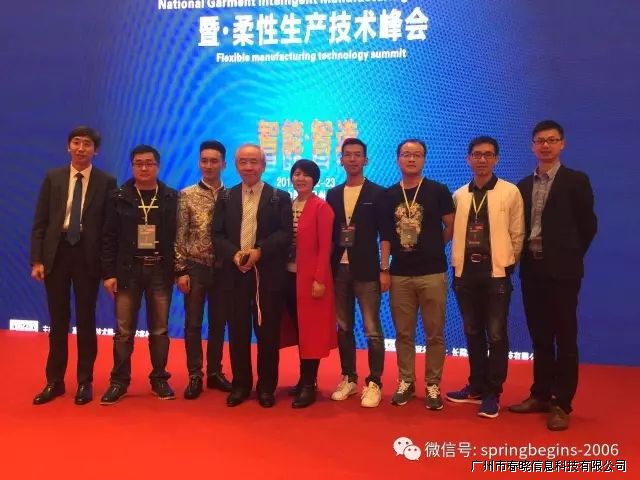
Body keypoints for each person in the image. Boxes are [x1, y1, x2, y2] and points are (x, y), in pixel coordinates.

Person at [509, 120, 597, 431]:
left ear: (562, 144)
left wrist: (569, 256)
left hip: (563, 272)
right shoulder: (522, 186)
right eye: (540, 141)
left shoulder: (576, 181)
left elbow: (588, 226)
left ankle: (562, 404)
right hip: (531, 270)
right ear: (532, 146)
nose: (546, 145)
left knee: (565, 337)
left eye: (552, 140)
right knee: (540, 336)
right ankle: (541, 395)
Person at [31, 126, 116, 405]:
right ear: (68, 147)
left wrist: (108, 269)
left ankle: (84, 382)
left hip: (87, 257)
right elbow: (41, 222)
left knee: (86, 320)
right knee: (58, 321)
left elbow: (109, 229)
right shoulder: (53, 177)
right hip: (56, 254)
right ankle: (54, 381)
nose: (81, 148)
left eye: (87, 144)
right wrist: (37, 259)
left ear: (96, 150)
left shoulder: (106, 182)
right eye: (76, 143)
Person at [445, 136, 525, 418]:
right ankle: (476, 386)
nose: (482, 159)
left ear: (496, 159)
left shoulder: (510, 192)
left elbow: (517, 233)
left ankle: (493, 392)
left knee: (496, 333)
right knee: (472, 331)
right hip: (465, 273)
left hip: (495, 274)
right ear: (468, 159)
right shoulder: (459, 195)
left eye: (488, 155)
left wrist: (505, 263)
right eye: (477, 154)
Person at [212, 143, 292, 408]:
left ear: (263, 165)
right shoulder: (226, 197)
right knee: (237, 333)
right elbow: (217, 235)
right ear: (236, 166)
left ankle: (266, 387)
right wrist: (234, 254)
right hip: (234, 275)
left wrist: (260, 251)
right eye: (243, 162)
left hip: (266, 277)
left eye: (254, 162)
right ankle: (241, 385)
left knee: (268, 335)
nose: (248, 167)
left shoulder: (279, 197)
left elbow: (285, 234)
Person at [100, 144, 179, 405]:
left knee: (160, 330)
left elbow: (177, 237)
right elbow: (108, 238)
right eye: (138, 163)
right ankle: (119, 382)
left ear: (158, 166)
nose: (144, 168)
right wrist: (108, 274)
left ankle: (159, 379)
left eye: (149, 163)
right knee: (124, 331)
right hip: (128, 271)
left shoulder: (170, 197)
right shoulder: (118, 196)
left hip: (160, 271)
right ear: (132, 166)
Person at [380, 138, 454, 410]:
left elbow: (451, 225)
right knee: (404, 333)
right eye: (406, 154)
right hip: (400, 274)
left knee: (435, 333)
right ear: (397, 158)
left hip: (432, 273)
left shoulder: (438, 190)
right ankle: (406, 381)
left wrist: (434, 246)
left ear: (424, 159)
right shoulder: (389, 195)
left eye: (417, 154)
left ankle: (433, 384)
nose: (411, 159)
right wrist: (384, 269)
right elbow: (385, 237)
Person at [325, 138, 387, 408]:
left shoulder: (378, 193)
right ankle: (348, 377)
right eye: (347, 155)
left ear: (366, 160)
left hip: (367, 269)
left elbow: (386, 236)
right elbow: (330, 235)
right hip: (338, 268)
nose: (352, 159)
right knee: (343, 327)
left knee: (372, 329)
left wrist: (385, 269)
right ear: (340, 160)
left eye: (357, 155)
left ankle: (374, 382)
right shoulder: (333, 194)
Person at [175, 140, 232, 399]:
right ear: (199, 163)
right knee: (193, 323)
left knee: (219, 323)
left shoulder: (232, 196)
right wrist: (180, 270)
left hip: (223, 269)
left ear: (224, 164)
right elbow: (179, 235)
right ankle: (195, 374)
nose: (209, 165)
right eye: (204, 161)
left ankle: (215, 372)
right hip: (195, 267)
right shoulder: (186, 195)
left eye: (214, 161)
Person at [283, 159, 336, 408]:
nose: (300, 178)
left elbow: (326, 248)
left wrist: (319, 279)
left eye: (305, 175)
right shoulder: (288, 205)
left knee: (311, 333)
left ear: (314, 180)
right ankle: (303, 378)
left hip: (311, 280)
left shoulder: (321, 208)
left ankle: (308, 383)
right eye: (296, 174)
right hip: (288, 278)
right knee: (299, 330)